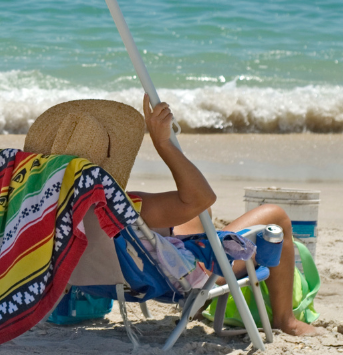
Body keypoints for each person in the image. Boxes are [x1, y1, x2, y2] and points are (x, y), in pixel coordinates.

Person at [132, 94, 323, 337]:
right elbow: (202, 196)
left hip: (138, 272)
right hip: (183, 274)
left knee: (200, 214)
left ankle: (202, 308)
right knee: (276, 216)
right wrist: (163, 144)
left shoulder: (77, 205)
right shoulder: (129, 202)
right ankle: (286, 320)